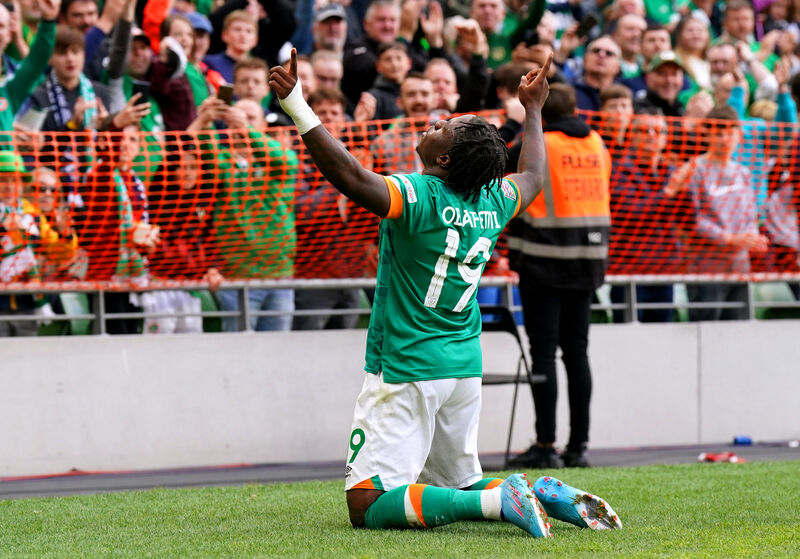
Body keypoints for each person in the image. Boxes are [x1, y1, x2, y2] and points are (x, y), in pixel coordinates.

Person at [269, 49, 622, 535]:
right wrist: (534, 110)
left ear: (444, 158)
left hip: (408, 363)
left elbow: (350, 176)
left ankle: (500, 504)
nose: (434, 123)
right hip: (462, 366)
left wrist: (297, 108)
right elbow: (536, 177)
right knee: (459, 480)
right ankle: (533, 492)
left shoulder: (419, 194)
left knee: (367, 503)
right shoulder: (493, 198)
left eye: (443, 128)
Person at [506, 83, 612, 469]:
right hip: (588, 263)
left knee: (544, 354)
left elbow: (502, 169)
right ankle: (578, 446)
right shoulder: (597, 143)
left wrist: (511, 121)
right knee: (577, 353)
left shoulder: (539, 141)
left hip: (543, 262)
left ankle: (546, 445)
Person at [665, 104, 768, 321]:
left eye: (730, 133)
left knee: (739, 328)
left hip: (740, 267)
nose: (724, 139)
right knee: (706, 330)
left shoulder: (743, 173)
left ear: (739, 136)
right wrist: (729, 238)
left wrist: (752, 237)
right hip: (705, 267)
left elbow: (750, 215)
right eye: (718, 133)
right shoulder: (694, 169)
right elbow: (691, 219)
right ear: (707, 135)